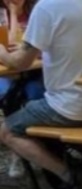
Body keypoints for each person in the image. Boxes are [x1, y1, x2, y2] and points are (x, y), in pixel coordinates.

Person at [0, 0, 82, 189]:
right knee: (32, 98)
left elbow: (19, 63)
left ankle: (71, 177)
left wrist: (2, 52)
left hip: (70, 107)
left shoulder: (46, 8)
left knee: (7, 131)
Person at [0, 0, 44, 179]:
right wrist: (12, 12)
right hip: (6, 73)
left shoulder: (38, 10)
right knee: (7, 93)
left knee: (35, 94)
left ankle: (23, 149)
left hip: (34, 72)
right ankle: (18, 151)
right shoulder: (1, 13)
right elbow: (10, 45)